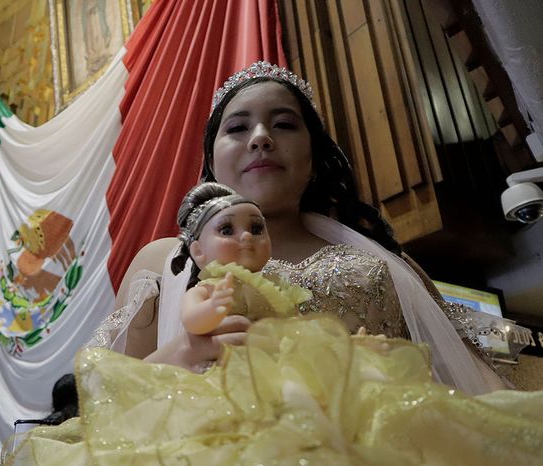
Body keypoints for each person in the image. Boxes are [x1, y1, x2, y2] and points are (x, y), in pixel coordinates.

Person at [103, 61, 505, 395]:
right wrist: (179, 357)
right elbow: (107, 397)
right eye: (238, 128)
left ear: (316, 156)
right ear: (211, 160)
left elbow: (476, 379)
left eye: (284, 124)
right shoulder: (162, 262)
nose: (260, 138)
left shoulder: (385, 261)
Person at [175, 182, 309, 335]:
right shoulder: (209, 289)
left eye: (256, 229)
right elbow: (191, 321)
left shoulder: (275, 284)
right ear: (198, 251)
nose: (247, 235)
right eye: (226, 230)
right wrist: (212, 307)